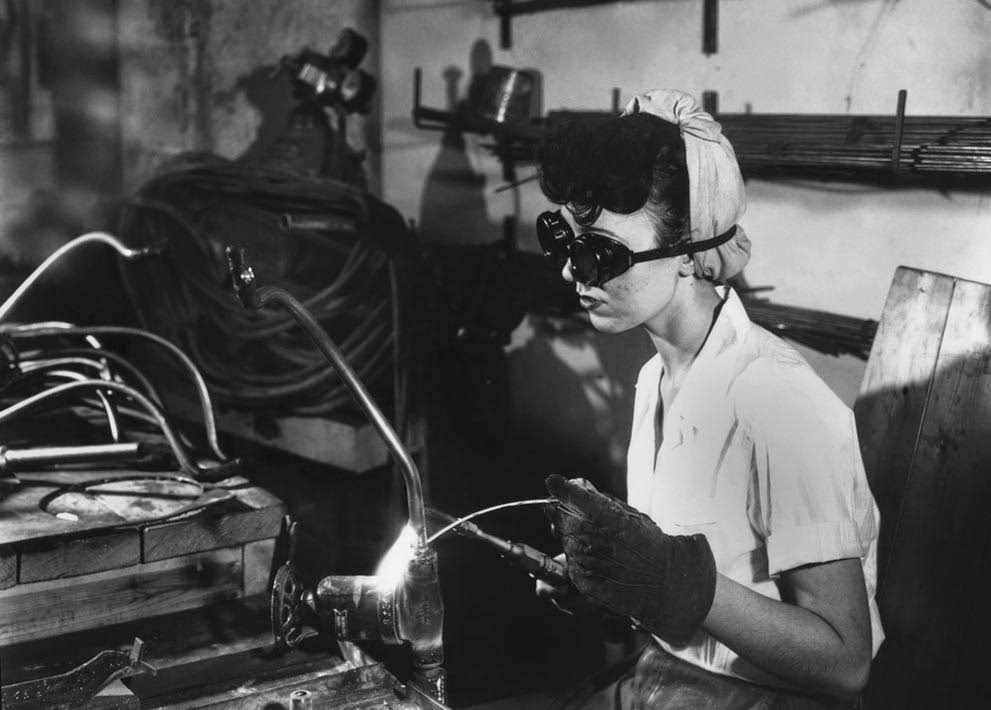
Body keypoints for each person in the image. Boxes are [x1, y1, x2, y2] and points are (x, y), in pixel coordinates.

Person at [533, 89, 884, 709]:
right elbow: (690, 607)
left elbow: (846, 661)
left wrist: (678, 583)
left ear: (692, 254)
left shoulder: (777, 403)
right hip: (666, 682)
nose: (572, 273)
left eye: (599, 253)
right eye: (565, 243)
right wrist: (613, 587)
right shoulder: (656, 381)